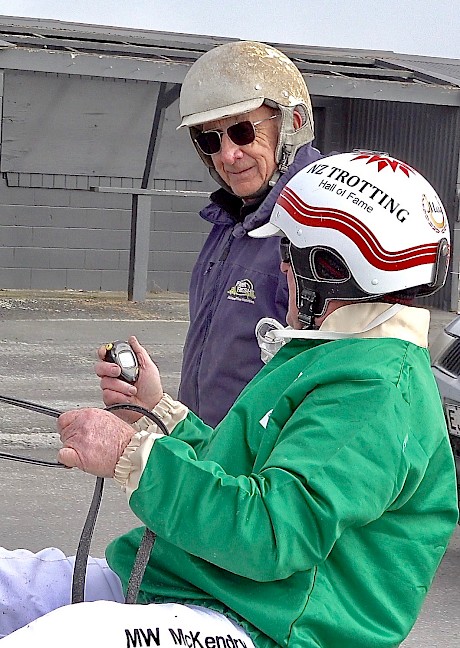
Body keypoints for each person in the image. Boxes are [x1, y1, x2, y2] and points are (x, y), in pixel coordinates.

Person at [0, 151, 458, 647]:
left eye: (287, 253)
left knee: (61, 639)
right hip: (196, 586)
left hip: (264, 625)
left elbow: (269, 533)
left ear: (326, 268)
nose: (280, 269)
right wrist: (161, 413)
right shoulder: (337, 357)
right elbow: (244, 474)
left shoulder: (375, 392)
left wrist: (130, 455)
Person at [175, 40, 322, 427]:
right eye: (210, 140)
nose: (226, 155)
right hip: (213, 461)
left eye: (241, 132)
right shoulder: (229, 222)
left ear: (292, 122)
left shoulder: (323, 225)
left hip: (264, 469)